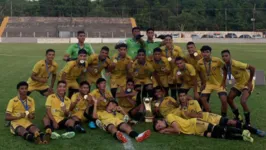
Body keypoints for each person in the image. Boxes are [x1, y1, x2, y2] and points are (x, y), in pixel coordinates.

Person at [178, 89, 266, 137]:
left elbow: (200, 115)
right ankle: (244, 134)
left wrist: (190, 115)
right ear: (178, 98)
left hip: (211, 117)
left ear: (186, 96)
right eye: (180, 96)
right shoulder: (179, 109)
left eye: (183, 96)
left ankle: (256, 131)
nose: (182, 98)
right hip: (204, 124)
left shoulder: (194, 102)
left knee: (232, 122)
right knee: (226, 130)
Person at [153, 114, 254, 143]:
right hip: (196, 132)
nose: (160, 128)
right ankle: (242, 138)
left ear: (160, 120)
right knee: (220, 136)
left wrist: (165, 130)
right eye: (159, 129)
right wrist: (167, 131)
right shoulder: (169, 125)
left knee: (220, 129)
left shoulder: (169, 117)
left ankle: (244, 131)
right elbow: (178, 133)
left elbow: (177, 130)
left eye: (158, 126)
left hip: (196, 124)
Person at [221, 50, 256, 126]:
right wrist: (223, 82)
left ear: (230, 56)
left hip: (247, 83)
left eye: (226, 56)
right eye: (223, 56)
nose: (224, 58)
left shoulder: (237, 64)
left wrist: (250, 81)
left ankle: (248, 122)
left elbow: (252, 68)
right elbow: (225, 72)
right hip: (239, 84)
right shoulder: (225, 65)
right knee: (229, 98)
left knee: (243, 101)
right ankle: (238, 117)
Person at [197, 45, 228, 117]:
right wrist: (203, 83)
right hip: (208, 84)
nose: (205, 54)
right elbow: (199, 72)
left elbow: (225, 69)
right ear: (201, 53)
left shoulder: (217, 60)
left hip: (219, 84)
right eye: (203, 52)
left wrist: (224, 82)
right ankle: (211, 115)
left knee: (224, 100)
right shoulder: (199, 62)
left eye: (207, 52)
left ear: (210, 53)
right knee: (203, 98)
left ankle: (224, 117)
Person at [160, 35, 184, 100]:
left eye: (169, 40)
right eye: (166, 40)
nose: (168, 41)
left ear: (172, 40)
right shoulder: (161, 49)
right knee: (172, 91)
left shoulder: (177, 48)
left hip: (178, 71)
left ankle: (181, 105)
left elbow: (182, 59)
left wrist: (169, 58)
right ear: (164, 41)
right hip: (168, 73)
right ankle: (173, 106)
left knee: (180, 90)